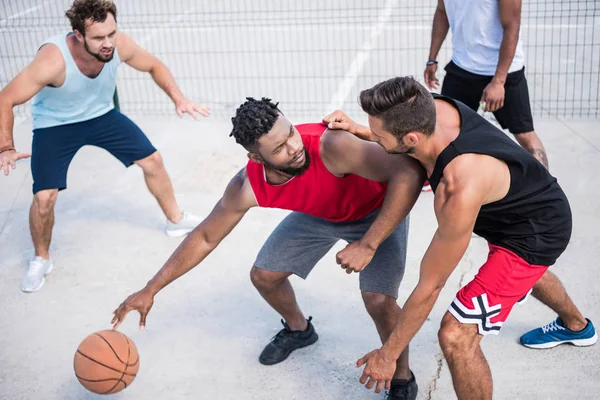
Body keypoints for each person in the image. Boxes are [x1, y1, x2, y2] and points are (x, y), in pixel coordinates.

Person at [112, 97, 426, 400]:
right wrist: (151, 289)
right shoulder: (247, 186)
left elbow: (409, 174)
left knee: (378, 299)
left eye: (290, 133)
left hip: (378, 211)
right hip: (323, 215)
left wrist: (369, 244)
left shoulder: (331, 146)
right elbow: (205, 237)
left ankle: (401, 376)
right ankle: (299, 330)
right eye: (279, 148)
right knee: (264, 276)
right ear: (257, 158)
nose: (294, 147)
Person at [325, 77, 596, 399]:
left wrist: (388, 354)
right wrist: (362, 130)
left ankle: (571, 321)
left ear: (411, 137)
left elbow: (431, 286)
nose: (377, 142)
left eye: (380, 137)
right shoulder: (430, 107)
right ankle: (576, 325)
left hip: (533, 234)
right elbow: (404, 140)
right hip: (527, 200)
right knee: (525, 276)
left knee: (456, 335)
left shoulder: (457, 189)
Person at [0, 0, 207, 293]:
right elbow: (5, 98)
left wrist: (179, 98)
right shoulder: (52, 60)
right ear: (78, 35)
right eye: (99, 38)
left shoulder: (118, 43)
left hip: (100, 115)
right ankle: (41, 258)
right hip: (55, 125)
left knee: (153, 161)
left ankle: (175, 219)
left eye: (111, 33)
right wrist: (5, 146)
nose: (108, 43)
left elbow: (154, 65)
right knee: (44, 198)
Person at [424, 0, 549, 169]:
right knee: (442, 130)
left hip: (502, 72)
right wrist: (432, 58)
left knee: (525, 135)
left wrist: (498, 82)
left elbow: (512, 26)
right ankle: (446, 181)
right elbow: (442, 13)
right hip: (462, 67)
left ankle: (545, 192)